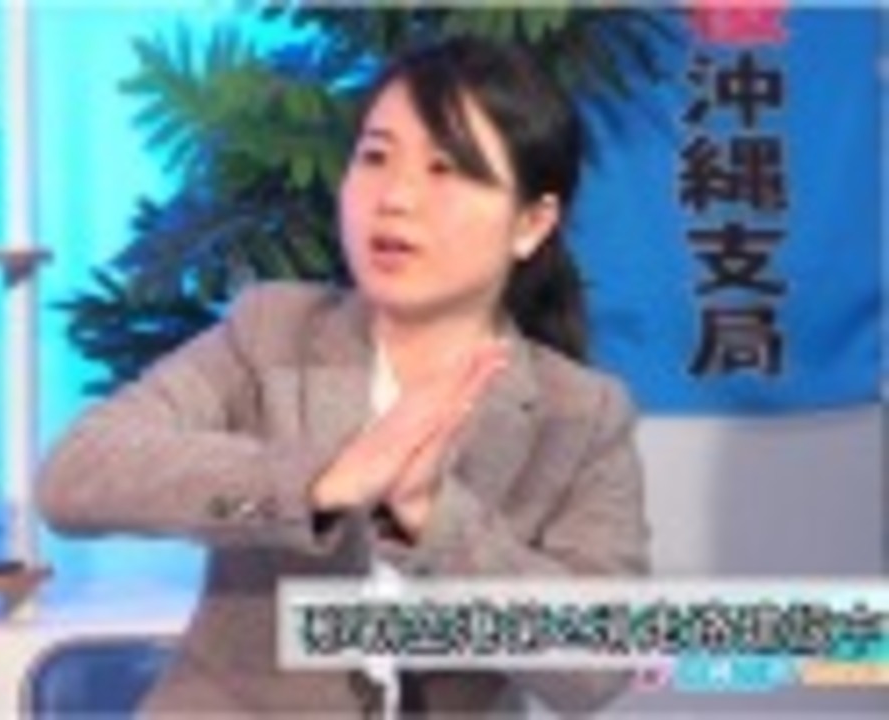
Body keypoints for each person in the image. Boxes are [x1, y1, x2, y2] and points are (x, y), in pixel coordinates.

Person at [36, 35, 649, 718]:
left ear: (531, 224)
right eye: (376, 157)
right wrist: (319, 485)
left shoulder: (582, 414)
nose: (396, 197)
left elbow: (599, 666)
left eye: (445, 170)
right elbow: (74, 475)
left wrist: (434, 519)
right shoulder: (270, 333)